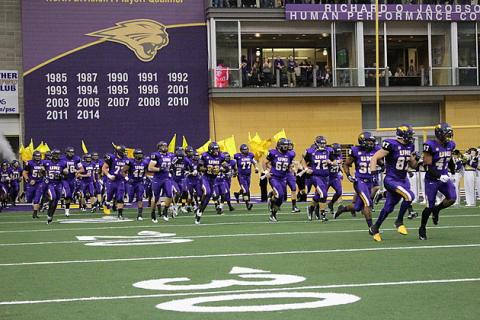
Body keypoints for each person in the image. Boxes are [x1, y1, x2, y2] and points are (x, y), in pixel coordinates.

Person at [369, 124, 418, 242]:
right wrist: (373, 172)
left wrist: (416, 160)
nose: (411, 138)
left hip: (403, 180)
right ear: (403, 135)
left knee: (388, 208)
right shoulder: (391, 144)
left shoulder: (410, 146)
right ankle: (399, 221)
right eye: (409, 135)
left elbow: (413, 165)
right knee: (409, 196)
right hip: (391, 179)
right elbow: (374, 157)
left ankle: (375, 228)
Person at [418, 123, 457, 240]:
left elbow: (448, 158)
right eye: (446, 134)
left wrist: (453, 169)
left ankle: (437, 209)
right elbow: (427, 167)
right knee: (429, 206)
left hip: (444, 176)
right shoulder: (430, 145)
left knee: (452, 198)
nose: (448, 136)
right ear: (439, 135)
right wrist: (439, 176)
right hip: (432, 179)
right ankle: (422, 228)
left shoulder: (450, 144)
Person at [335, 132, 379, 230]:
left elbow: (381, 162)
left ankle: (342, 209)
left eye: (372, 142)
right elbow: (346, 164)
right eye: (368, 142)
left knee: (357, 207)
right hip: (360, 181)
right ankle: (372, 228)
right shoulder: (355, 150)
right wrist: (349, 175)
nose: (371, 144)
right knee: (367, 203)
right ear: (362, 141)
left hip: (370, 181)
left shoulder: (376, 150)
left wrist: (382, 166)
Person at [302, 136, 335, 221]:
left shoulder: (329, 151)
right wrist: (306, 168)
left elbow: (334, 161)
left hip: (326, 176)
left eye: (324, 143)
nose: (323, 145)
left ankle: (311, 208)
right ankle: (323, 214)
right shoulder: (311, 151)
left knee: (318, 195)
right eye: (321, 143)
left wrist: (331, 162)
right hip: (315, 176)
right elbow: (303, 160)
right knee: (324, 194)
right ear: (316, 143)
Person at [264, 138, 294, 222]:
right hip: (274, 177)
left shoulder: (290, 154)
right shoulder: (273, 153)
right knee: (279, 195)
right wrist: (266, 172)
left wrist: (291, 169)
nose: (285, 147)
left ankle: (271, 199)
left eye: (286, 146)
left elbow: (289, 164)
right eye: (284, 146)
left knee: (282, 198)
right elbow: (264, 162)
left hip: (283, 177)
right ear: (279, 146)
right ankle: (273, 215)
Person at [196, 142, 226, 224]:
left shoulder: (221, 156)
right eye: (215, 149)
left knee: (208, 198)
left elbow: (226, 168)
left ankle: (200, 211)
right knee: (207, 192)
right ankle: (199, 206)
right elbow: (199, 168)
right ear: (210, 150)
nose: (216, 151)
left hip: (213, 179)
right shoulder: (205, 155)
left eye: (217, 149)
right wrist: (208, 169)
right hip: (205, 177)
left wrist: (220, 169)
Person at [148, 141, 174, 223]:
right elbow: (150, 168)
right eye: (163, 146)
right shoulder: (156, 155)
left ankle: (165, 211)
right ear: (159, 147)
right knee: (156, 198)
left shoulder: (170, 155)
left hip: (166, 178)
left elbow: (171, 165)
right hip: (157, 179)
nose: (165, 147)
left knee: (170, 194)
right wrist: (159, 169)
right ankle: (153, 213)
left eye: (166, 146)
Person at [102, 145, 129, 220]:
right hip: (111, 181)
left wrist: (126, 176)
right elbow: (104, 168)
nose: (124, 153)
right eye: (123, 151)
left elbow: (126, 170)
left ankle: (120, 214)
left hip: (120, 181)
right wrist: (109, 175)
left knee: (120, 198)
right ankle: (106, 202)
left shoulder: (126, 159)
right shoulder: (112, 158)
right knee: (109, 196)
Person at [43, 149, 68, 224]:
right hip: (50, 183)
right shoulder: (46, 162)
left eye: (58, 154)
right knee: (53, 197)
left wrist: (63, 173)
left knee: (56, 201)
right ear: (52, 155)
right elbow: (41, 171)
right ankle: (48, 211)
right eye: (55, 154)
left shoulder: (63, 163)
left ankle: (50, 216)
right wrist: (44, 176)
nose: (57, 156)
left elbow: (66, 173)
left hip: (58, 183)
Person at [125, 149, 149, 220]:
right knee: (130, 198)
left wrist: (144, 177)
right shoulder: (130, 162)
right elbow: (123, 171)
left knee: (140, 198)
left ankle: (139, 215)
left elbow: (146, 171)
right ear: (134, 155)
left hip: (139, 182)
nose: (140, 155)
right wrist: (127, 178)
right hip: (131, 183)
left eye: (141, 154)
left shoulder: (145, 162)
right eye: (138, 154)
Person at [234, 144, 259, 210]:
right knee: (246, 190)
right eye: (244, 150)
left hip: (248, 175)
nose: (246, 151)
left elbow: (254, 162)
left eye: (247, 149)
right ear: (241, 150)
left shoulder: (250, 155)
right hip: (241, 175)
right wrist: (235, 171)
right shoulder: (237, 156)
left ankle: (237, 194)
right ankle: (247, 204)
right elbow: (234, 164)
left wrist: (256, 168)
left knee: (246, 188)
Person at [23, 151, 45, 219]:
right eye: (36, 156)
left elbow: (46, 173)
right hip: (31, 183)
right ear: (33, 156)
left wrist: (43, 171)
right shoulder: (29, 163)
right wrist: (29, 180)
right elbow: (24, 173)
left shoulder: (43, 162)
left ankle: (35, 213)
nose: (37, 157)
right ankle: (25, 194)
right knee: (29, 198)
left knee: (37, 198)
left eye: (39, 156)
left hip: (40, 182)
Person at [62, 146, 81, 217]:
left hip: (72, 179)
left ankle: (67, 210)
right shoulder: (62, 158)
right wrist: (63, 171)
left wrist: (77, 171)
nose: (71, 153)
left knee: (70, 196)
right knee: (68, 194)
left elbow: (81, 169)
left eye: (72, 152)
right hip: (64, 179)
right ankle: (66, 211)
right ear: (66, 152)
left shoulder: (77, 159)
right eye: (70, 152)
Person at [327, 143, 343, 214]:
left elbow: (339, 164)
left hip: (335, 176)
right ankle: (317, 209)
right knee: (322, 195)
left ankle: (331, 203)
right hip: (326, 177)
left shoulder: (339, 155)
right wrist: (332, 162)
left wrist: (340, 170)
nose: (338, 153)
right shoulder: (328, 155)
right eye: (336, 151)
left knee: (339, 192)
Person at [286, 140, 301, 213]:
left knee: (293, 187)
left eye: (291, 145)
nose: (290, 146)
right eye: (289, 145)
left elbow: (290, 161)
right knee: (281, 191)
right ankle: (271, 197)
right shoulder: (278, 153)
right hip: (280, 174)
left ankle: (294, 206)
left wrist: (292, 167)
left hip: (288, 173)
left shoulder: (292, 153)